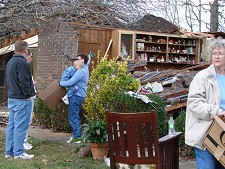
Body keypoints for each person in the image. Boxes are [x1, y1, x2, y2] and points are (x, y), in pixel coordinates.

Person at [185, 37, 225, 169]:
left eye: (220, 53)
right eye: (214, 53)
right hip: (205, 134)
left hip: (222, 135)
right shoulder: (202, 77)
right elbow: (194, 103)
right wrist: (218, 112)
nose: (217, 56)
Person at [5, 40, 35, 159]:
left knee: (11, 126)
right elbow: (24, 81)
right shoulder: (22, 62)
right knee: (20, 127)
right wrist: (27, 94)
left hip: (12, 97)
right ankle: (18, 153)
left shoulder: (10, 62)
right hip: (21, 99)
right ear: (25, 50)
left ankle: (9, 152)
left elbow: (7, 81)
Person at [59, 53, 89, 144]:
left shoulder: (80, 72)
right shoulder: (86, 68)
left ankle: (77, 137)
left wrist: (60, 84)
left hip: (76, 96)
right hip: (81, 95)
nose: (75, 60)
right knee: (76, 115)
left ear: (82, 60)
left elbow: (70, 82)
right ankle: (77, 135)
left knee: (73, 116)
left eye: (77, 59)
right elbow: (89, 60)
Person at [23, 49, 36, 150]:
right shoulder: (24, 66)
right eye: (31, 56)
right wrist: (28, 95)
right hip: (28, 98)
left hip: (30, 96)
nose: (32, 59)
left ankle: (24, 141)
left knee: (28, 120)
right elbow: (24, 83)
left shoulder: (26, 67)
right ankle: (23, 142)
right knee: (26, 121)